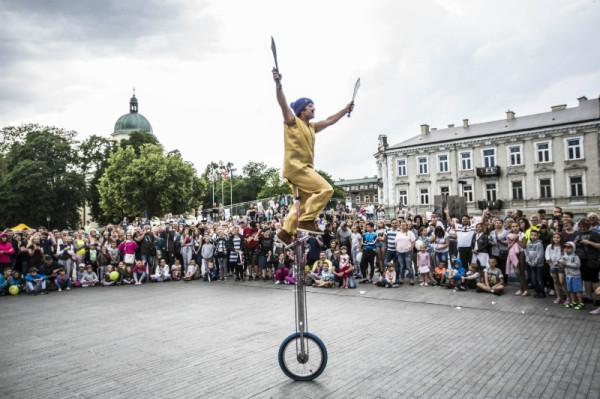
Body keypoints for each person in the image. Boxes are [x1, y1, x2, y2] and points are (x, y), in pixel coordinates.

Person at [272, 68, 353, 244]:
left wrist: (345, 109)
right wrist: (278, 85)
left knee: (301, 203)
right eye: (310, 106)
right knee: (326, 189)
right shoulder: (292, 122)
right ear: (302, 110)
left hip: (302, 169)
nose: (314, 108)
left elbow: (329, 120)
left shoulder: (312, 127)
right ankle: (307, 220)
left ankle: (286, 231)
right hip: (296, 168)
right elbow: (283, 104)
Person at [561, 242, 584, 310]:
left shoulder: (575, 256)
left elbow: (577, 265)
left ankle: (581, 302)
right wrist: (560, 263)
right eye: (565, 248)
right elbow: (562, 262)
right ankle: (573, 302)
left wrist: (566, 264)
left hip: (575, 276)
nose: (567, 249)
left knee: (577, 290)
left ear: (573, 248)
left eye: (569, 248)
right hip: (568, 275)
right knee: (570, 290)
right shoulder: (564, 256)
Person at [546, 233, 565, 304]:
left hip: (560, 266)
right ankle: (558, 297)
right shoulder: (549, 246)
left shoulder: (563, 247)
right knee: (555, 281)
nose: (556, 239)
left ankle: (567, 297)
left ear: (560, 238)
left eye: (558, 237)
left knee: (562, 282)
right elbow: (547, 255)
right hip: (552, 266)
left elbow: (564, 256)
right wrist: (548, 260)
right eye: (554, 237)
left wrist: (559, 262)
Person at [525, 229, 545, 298]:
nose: (533, 237)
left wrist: (535, 262)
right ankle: (537, 291)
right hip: (531, 264)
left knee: (539, 279)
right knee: (533, 279)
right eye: (532, 235)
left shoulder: (539, 244)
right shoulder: (528, 243)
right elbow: (527, 253)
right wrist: (528, 261)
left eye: (535, 235)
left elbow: (540, 255)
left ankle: (542, 293)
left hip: (538, 265)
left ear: (538, 236)